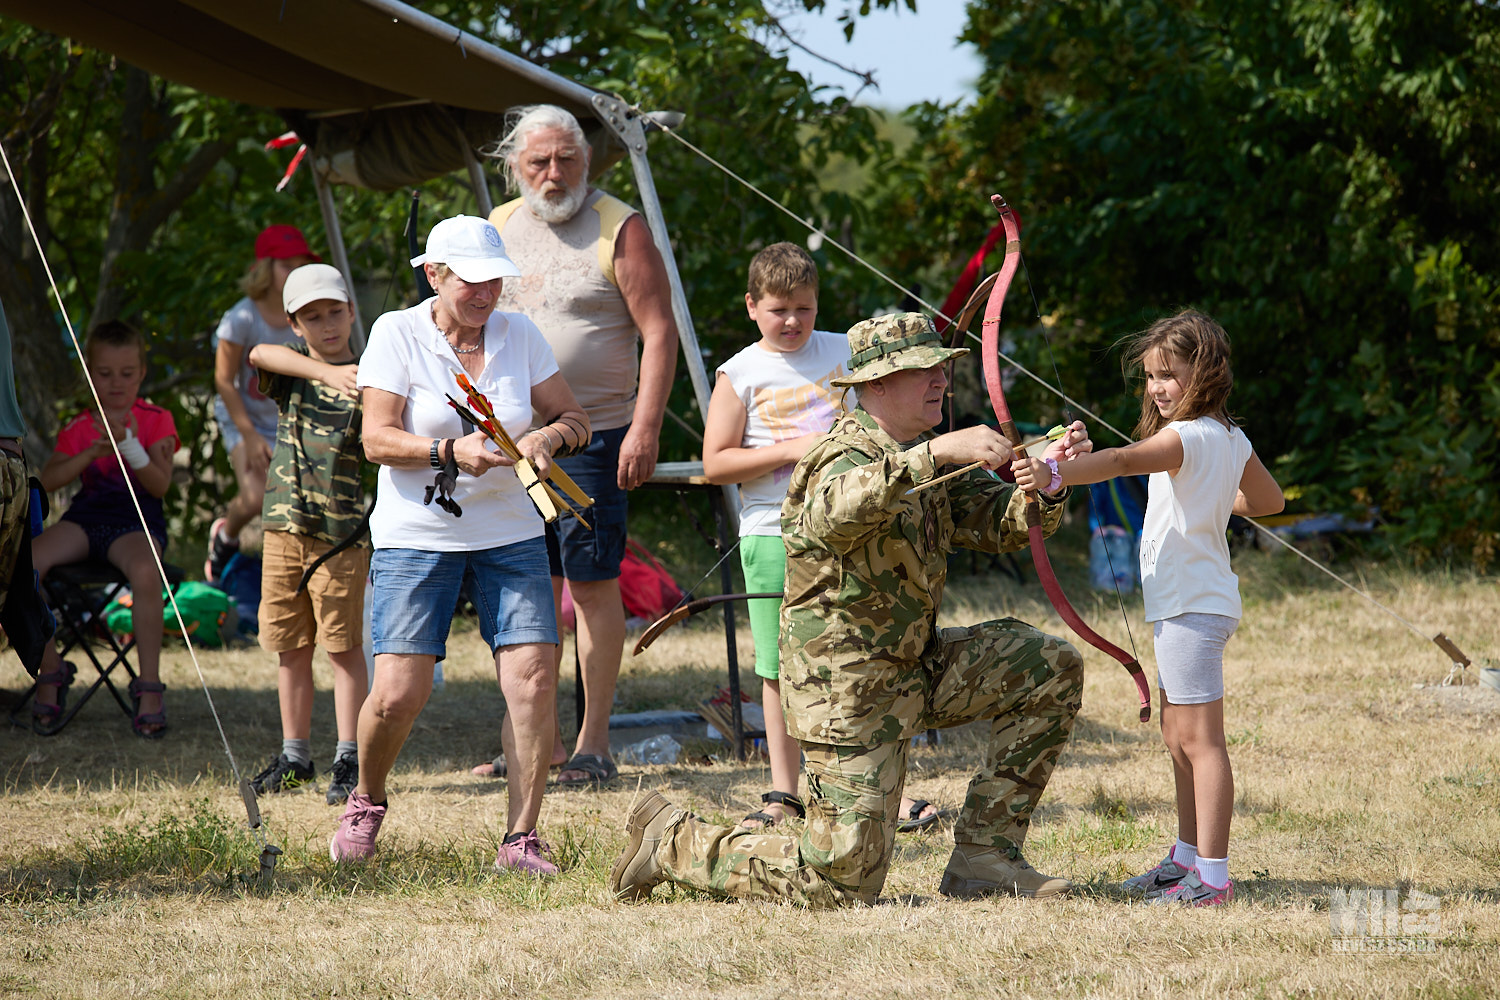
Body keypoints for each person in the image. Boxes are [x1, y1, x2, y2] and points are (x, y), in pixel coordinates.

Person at [611, 313, 1087, 906]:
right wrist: (935, 452)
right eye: (923, 371)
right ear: (876, 385)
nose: (941, 380)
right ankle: (672, 842)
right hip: (848, 693)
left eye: (943, 368)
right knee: (839, 884)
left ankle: (985, 857)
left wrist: (1046, 486)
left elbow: (999, 526)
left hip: (915, 666)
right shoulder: (839, 455)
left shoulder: (923, 452)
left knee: (1047, 664)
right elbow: (834, 517)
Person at [332, 215, 589, 876]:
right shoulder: (396, 332)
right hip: (416, 536)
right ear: (434, 274)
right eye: (470, 280)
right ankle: (366, 800)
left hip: (511, 532)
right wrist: (449, 451)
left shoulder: (520, 333)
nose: (485, 293)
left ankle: (521, 839)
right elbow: (376, 441)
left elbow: (574, 417)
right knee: (397, 693)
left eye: (494, 281)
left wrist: (547, 439)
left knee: (532, 681)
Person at [1012, 310, 1283, 907]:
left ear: (1205, 371)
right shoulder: (1228, 437)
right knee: (1176, 735)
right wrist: (1214, 498)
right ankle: (1187, 859)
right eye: (1150, 377)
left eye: (1169, 374)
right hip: (1186, 604)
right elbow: (1267, 498)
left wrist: (1052, 473)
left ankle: (1212, 877)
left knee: (1201, 741)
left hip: (1192, 605)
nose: (1157, 388)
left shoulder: (1184, 437)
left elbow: (1117, 462)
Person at [701, 243, 939, 832]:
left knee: (864, 651)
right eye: (779, 309)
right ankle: (784, 792)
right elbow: (715, 463)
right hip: (771, 532)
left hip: (860, 525)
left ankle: (880, 787)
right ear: (752, 306)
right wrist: (797, 449)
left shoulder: (844, 353)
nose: (792, 322)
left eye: (804, 308)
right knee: (780, 665)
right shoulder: (741, 373)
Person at [477, 104, 679, 788]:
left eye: (567, 160)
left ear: (587, 163)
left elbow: (659, 332)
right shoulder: (495, 231)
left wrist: (647, 428)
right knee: (521, 586)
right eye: (539, 162)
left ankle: (594, 744)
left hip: (598, 435)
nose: (553, 173)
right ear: (514, 168)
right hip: (509, 443)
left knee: (592, 584)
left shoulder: (619, 227)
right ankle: (536, 741)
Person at [244, 263, 368, 806]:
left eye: (335, 313)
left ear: (351, 311)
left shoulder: (371, 380)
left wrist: (353, 377)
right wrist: (325, 372)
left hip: (340, 534)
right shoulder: (293, 373)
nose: (326, 325)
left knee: (342, 649)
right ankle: (296, 756)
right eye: (312, 317)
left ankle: (350, 755)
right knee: (290, 647)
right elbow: (256, 356)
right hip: (283, 529)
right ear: (295, 324)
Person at [30, 321, 178, 737]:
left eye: (127, 374)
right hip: (86, 519)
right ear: (91, 373)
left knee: (147, 574)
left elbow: (160, 485)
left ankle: (149, 685)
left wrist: (131, 448)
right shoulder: (82, 425)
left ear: (142, 373)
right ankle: (50, 668)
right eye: (105, 373)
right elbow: (50, 479)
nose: (116, 383)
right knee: (25, 562)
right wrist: (91, 452)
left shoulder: (156, 420)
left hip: (136, 522)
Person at [205, 224, 317, 585]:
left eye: (301, 266)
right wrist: (249, 436)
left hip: (289, 419)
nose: (294, 273)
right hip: (244, 419)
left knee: (304, 500)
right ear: (264, 269)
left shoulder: (309, 313)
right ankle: (225, 536)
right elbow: (224, 380)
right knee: (254, 498)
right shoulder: (241, 318)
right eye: (286, 265)